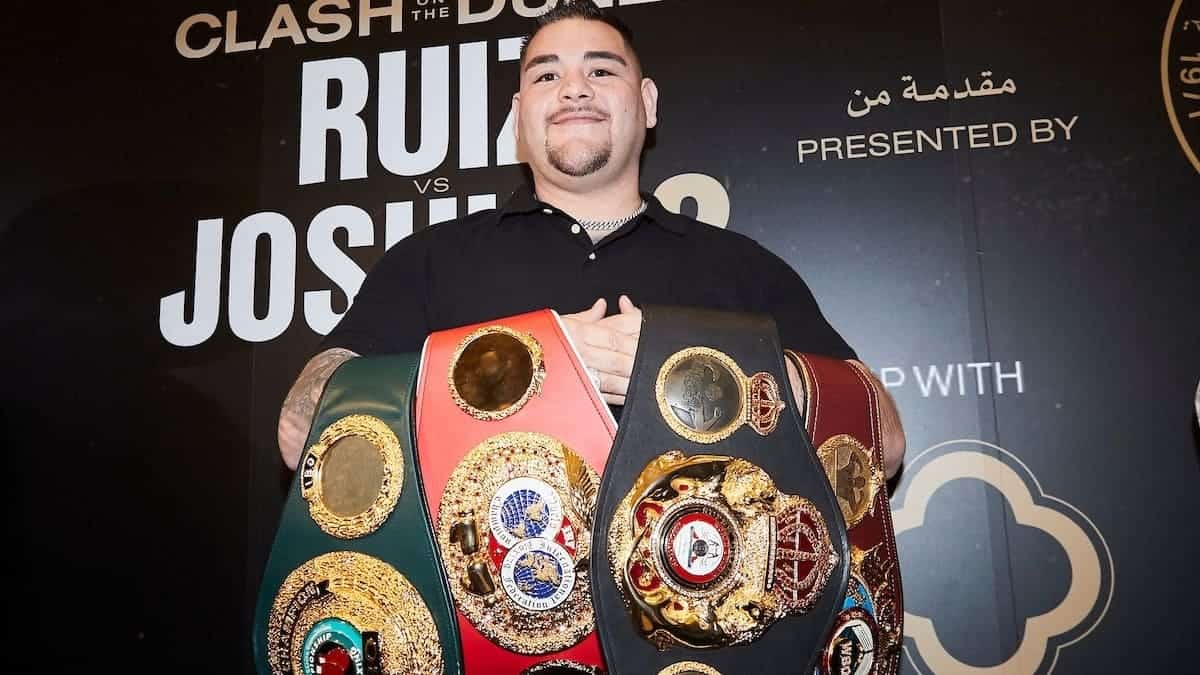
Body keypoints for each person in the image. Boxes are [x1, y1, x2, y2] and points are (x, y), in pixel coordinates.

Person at [277, 0, 905, 478]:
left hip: (704, 641)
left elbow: (886, 440)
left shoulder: (741, 268)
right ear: (521, 113)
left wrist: (696, 370)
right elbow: (301, 428)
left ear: (648, 102)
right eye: (546, 77)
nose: (574, 88)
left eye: (601, 70)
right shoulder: (430, 261)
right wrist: (519, 360)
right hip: (478, 641)